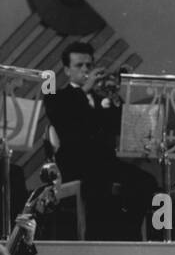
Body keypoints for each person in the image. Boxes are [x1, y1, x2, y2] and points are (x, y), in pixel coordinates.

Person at [42, 42, 158, 241]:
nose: (86, 70)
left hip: (104, 162)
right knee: (99, 185)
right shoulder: (57, 97)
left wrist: (114, 97)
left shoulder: (100, 97)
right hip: (76, 163)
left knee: (147, 183)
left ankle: (129, 234)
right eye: (80, 66)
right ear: (67, 70)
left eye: (89, 65)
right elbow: (63, 119)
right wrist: (86, 89)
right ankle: (99, 239)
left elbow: (120, 126)